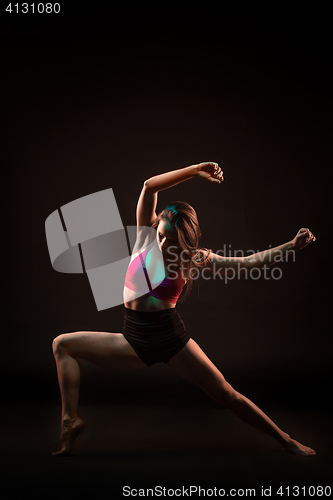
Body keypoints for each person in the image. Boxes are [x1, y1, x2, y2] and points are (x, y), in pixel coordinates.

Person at [52, 162, 316, 457]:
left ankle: (285, 440)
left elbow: (248, 263)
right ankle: (70, 420)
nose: (163, 243)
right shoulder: (145, 236)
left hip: (170, 338)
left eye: (172, 240)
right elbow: (149, 186)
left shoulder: (195, 259)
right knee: (63, 344)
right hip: (134, 339)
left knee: (226, 394)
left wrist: (292, 246)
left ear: (185, 242)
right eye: (162, 234)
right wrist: (195, 171)